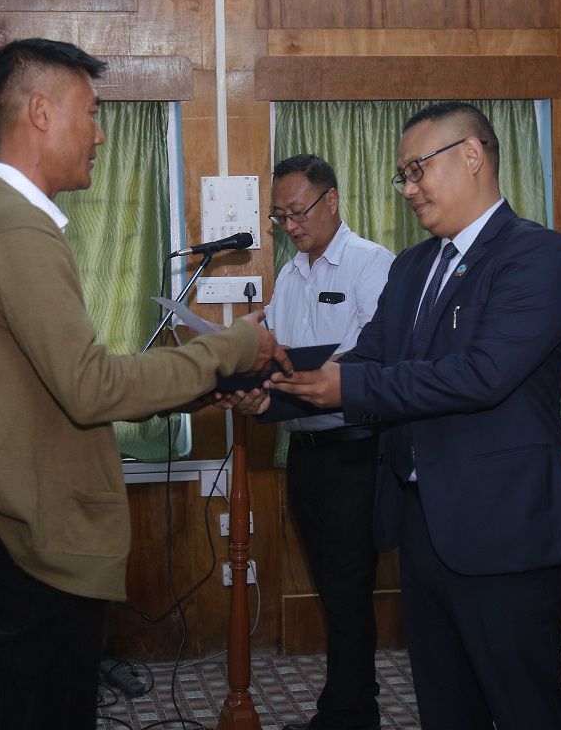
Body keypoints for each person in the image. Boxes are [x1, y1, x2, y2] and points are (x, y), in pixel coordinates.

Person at [0, 38, 290, 730]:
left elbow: (49, 385)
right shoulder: (17, 228)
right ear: (40, 113)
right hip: (32, 541)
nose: (99, 134)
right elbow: (91, 387)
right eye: (90, 112)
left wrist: (209, 382)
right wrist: (235, 344)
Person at [271, 102, 561, 729]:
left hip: (503, 529)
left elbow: (482, 374)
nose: (408, 188)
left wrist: (346, 384)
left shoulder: (535, 254)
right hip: (422, 528)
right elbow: (368, 356)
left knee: (525, 708)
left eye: (417, 170)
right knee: (445, 709)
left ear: (472, 155)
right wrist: (274, 390)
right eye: (404, 175)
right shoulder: (415, 265)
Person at [226, 154, 394, 730]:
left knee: (348, 589)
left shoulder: (372, 264)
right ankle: (350, 708)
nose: (290, 226)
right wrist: (250, 380)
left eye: (298, 212)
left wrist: (294, 379)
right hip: (304, 451)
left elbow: (375, 356)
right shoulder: (292, 274)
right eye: (280, 217)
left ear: (332, 201)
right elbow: (277, 351)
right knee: (330, 585)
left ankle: (349, 715)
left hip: (355, 451)